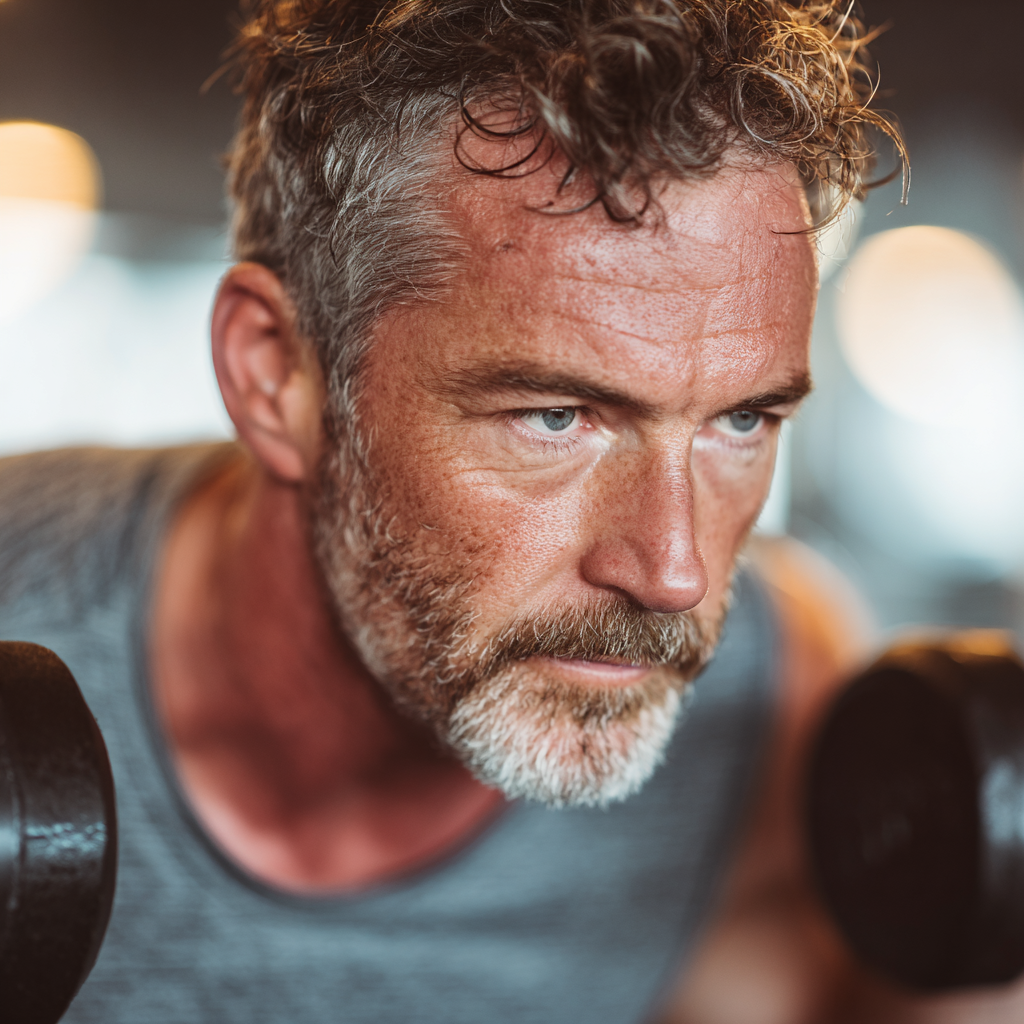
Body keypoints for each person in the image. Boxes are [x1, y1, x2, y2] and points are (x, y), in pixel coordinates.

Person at [1, 1, 984, 1021]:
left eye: (740, 421)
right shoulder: (19, 592)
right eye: (556, 417)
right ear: (276, 372)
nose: (673, 572)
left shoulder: (776, 714)